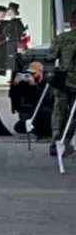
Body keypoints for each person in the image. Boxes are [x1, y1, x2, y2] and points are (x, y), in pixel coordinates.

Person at [49, 10, 76, 156]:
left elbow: (50, 57)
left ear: (72, 21)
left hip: (64, 80)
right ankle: (65, 140)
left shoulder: (62, 38)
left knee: (59, 108)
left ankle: (56, 138)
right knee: (74, 113)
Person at [11, 61, 54, 139]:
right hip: (31, 109)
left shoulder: (47, 82)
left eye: (34, 73)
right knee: (19, 128)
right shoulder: (26, 82)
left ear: (40, 72)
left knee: (45, 114)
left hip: (44, 109)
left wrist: (34, 85)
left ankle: (44, 133)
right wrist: (15, 85)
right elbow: (14, 96)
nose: (31, 75)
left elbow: (46, 98)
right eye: (29, 73)